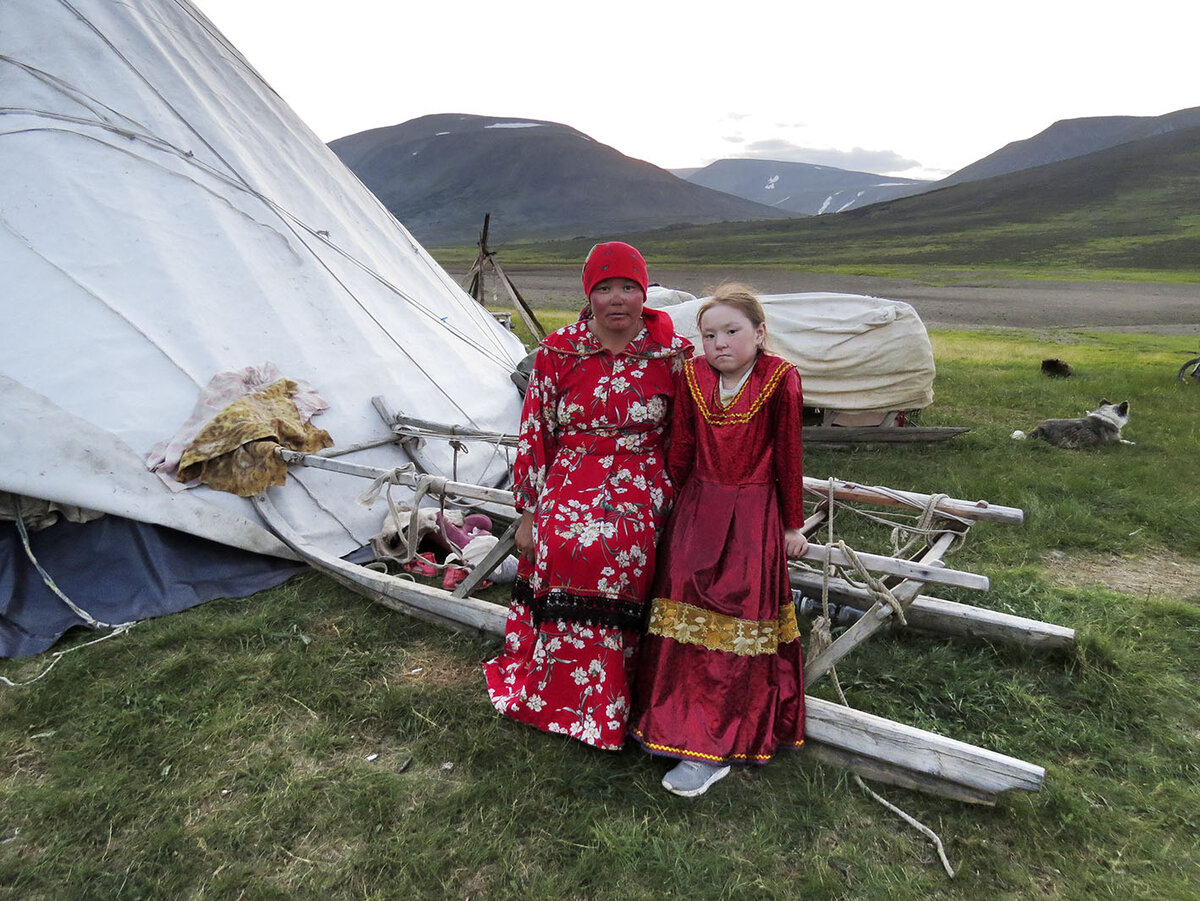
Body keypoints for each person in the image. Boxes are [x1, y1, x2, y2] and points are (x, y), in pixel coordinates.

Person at [483, 241, 691, 750]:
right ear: (588, 294)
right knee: (569, 546)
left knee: (622, 548)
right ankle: (559, 696)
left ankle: (619, 704)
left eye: (628, 287)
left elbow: (686, 437)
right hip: (570, 478)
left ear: (644, 293)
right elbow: (535, 434)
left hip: (643, 481)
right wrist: (528, 515)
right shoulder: (559, 351)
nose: (616, 299)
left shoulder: (674, 355)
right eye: (604, 288)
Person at [629, 283, 808, 797]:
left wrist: (792, 524)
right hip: (696, 509)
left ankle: (716, 744)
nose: (720, 344)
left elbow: (788, 456)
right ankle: (671, 723)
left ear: (759, 333)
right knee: (682, 603)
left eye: (731, 332)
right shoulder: (692, 375)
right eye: (709, 335)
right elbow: (681, 447)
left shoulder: (780, 380)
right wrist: (666, 504)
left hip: (752, 512)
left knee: (734, 615)